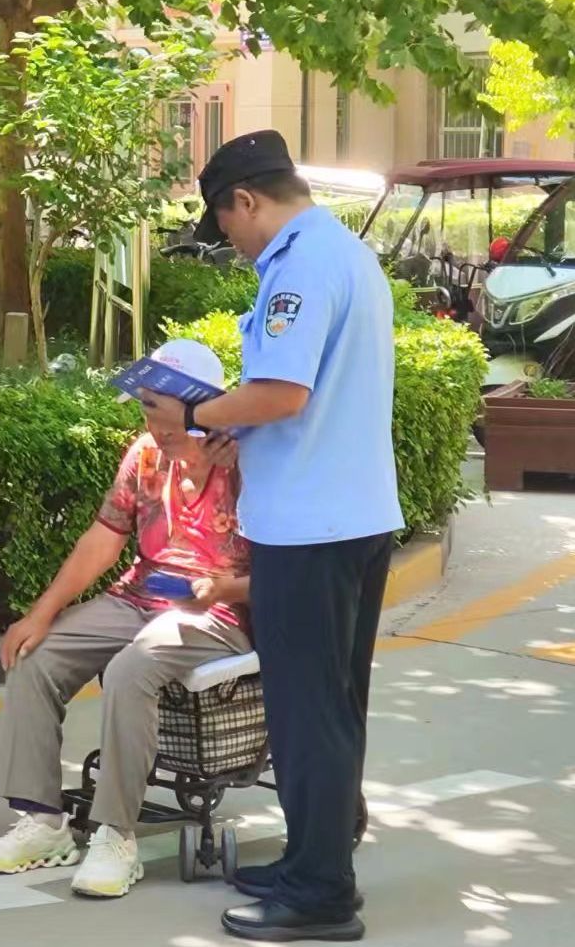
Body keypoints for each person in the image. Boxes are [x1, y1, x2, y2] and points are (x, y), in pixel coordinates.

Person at [142, 130, 401, 943]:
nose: (228, 240)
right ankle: (314, 855)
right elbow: (302, 400)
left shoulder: (299, 265)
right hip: (350, 516)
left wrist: (194, 412)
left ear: (246, 200)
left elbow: (282, 391)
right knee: (332, 704)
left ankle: (319, 892)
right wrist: (237, 426)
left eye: (224, 224)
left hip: (310, 527)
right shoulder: (343, 253)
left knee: (305, 711)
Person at [0, 339, 251, 898]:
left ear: (202, 406)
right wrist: (40, 614)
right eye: (146, 405)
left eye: (161, 406)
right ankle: (43, 823)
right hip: (140, 598)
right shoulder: (145, 454)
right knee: (35, 654)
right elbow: (103, 538)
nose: (153, 420)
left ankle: (115, 834)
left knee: (130, 668)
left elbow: (288, 570)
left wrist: (221, 587)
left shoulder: (248, 460)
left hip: (220, 609)